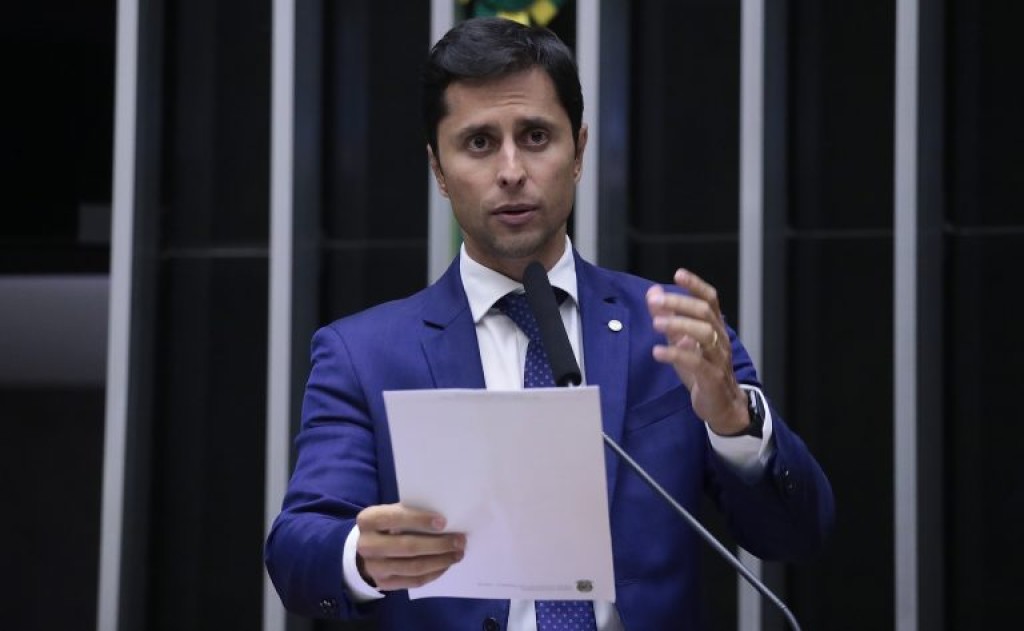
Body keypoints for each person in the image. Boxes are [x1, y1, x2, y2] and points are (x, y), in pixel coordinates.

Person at [265, 16, 834, 631]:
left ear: (579, 152)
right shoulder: (364, 355)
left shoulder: (672, 330)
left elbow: (798, 534)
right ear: (438, 170)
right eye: (479, 143)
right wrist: (361, 556)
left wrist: (734, 423)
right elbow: (296, 553)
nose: (511, 170)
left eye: (536, 137)